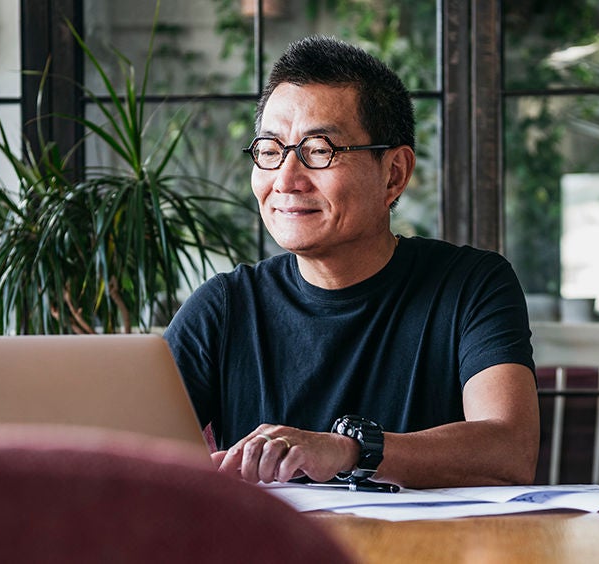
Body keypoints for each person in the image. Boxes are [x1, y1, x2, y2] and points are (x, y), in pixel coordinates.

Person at [163, 35, 539, 489]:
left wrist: (347, 450)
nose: (286, 179)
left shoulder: (470, 285)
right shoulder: (224, 307)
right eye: (270, 150)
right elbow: (124, 456)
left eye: (319, 150)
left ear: (394, 174)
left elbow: (509, 450)